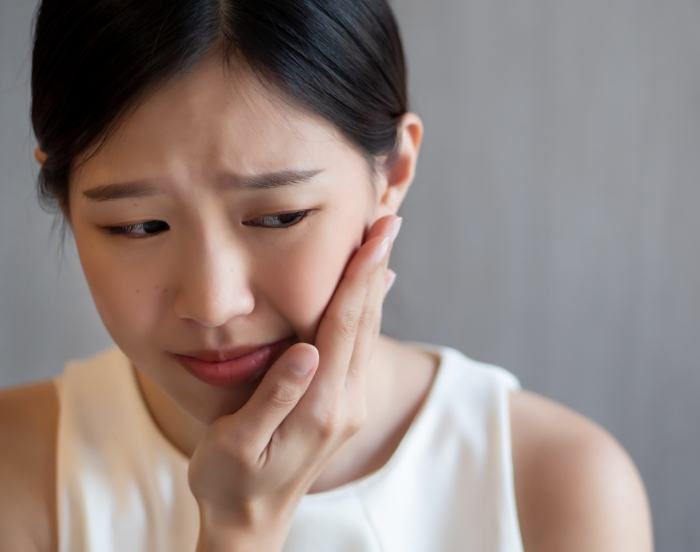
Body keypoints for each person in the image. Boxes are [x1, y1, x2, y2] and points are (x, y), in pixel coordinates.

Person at [0, 1, 653, 550]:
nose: (214, 303)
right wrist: (238, 533)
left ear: (393, 170)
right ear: (62, 195)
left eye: (280, 216)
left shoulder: (555, 485)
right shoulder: (19, 471)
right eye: (139, 226)